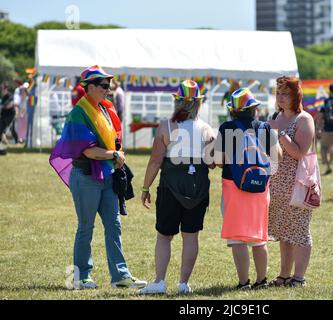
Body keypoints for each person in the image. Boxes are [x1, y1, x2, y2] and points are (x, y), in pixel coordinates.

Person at [49, 65, 147, 290]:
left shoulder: (106, 109)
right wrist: (114, 154)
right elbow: (88, 150)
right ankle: (81, 277)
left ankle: (121, 276)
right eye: (103, 85)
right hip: (86, 176)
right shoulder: (79, 112)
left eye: (109, 84)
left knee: (114, 225)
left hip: (107, 176)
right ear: (89, 87)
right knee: (86, 227)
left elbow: (113, 141)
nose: (108, 89)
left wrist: (116, 154)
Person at [139, 80, 216, 295]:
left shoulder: (166, 126)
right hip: (197, 188)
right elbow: (211, 163)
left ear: (177, 102)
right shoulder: (207, 129)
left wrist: (145, 188)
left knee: (164, 236)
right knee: (191, 236)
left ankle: (160, 281)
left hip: (170, 187)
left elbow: (155, 161)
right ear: (198, 103)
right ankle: (183, 284)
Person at [213, 88, 282, 290]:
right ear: (254, 109)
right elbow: (278, 157)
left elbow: (217, 160)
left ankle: (244, 283)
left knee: (237, 238)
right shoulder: (265, 128)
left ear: (233, 110)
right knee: (259, 237)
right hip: (260, 187)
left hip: (233, 186)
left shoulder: (227, 128)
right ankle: (262, 280)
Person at [268, 76, 315, 288]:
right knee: (283, 231)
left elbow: (298, 153)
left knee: (300, 232)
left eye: (285, 93)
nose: (280, 97)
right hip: (277, 182)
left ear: (296, 95)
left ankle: (299, 277)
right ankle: (284, 275)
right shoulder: (276, 116)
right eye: (278, 93)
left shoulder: (304, 119)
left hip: (298, 183)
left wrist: (278, 132)